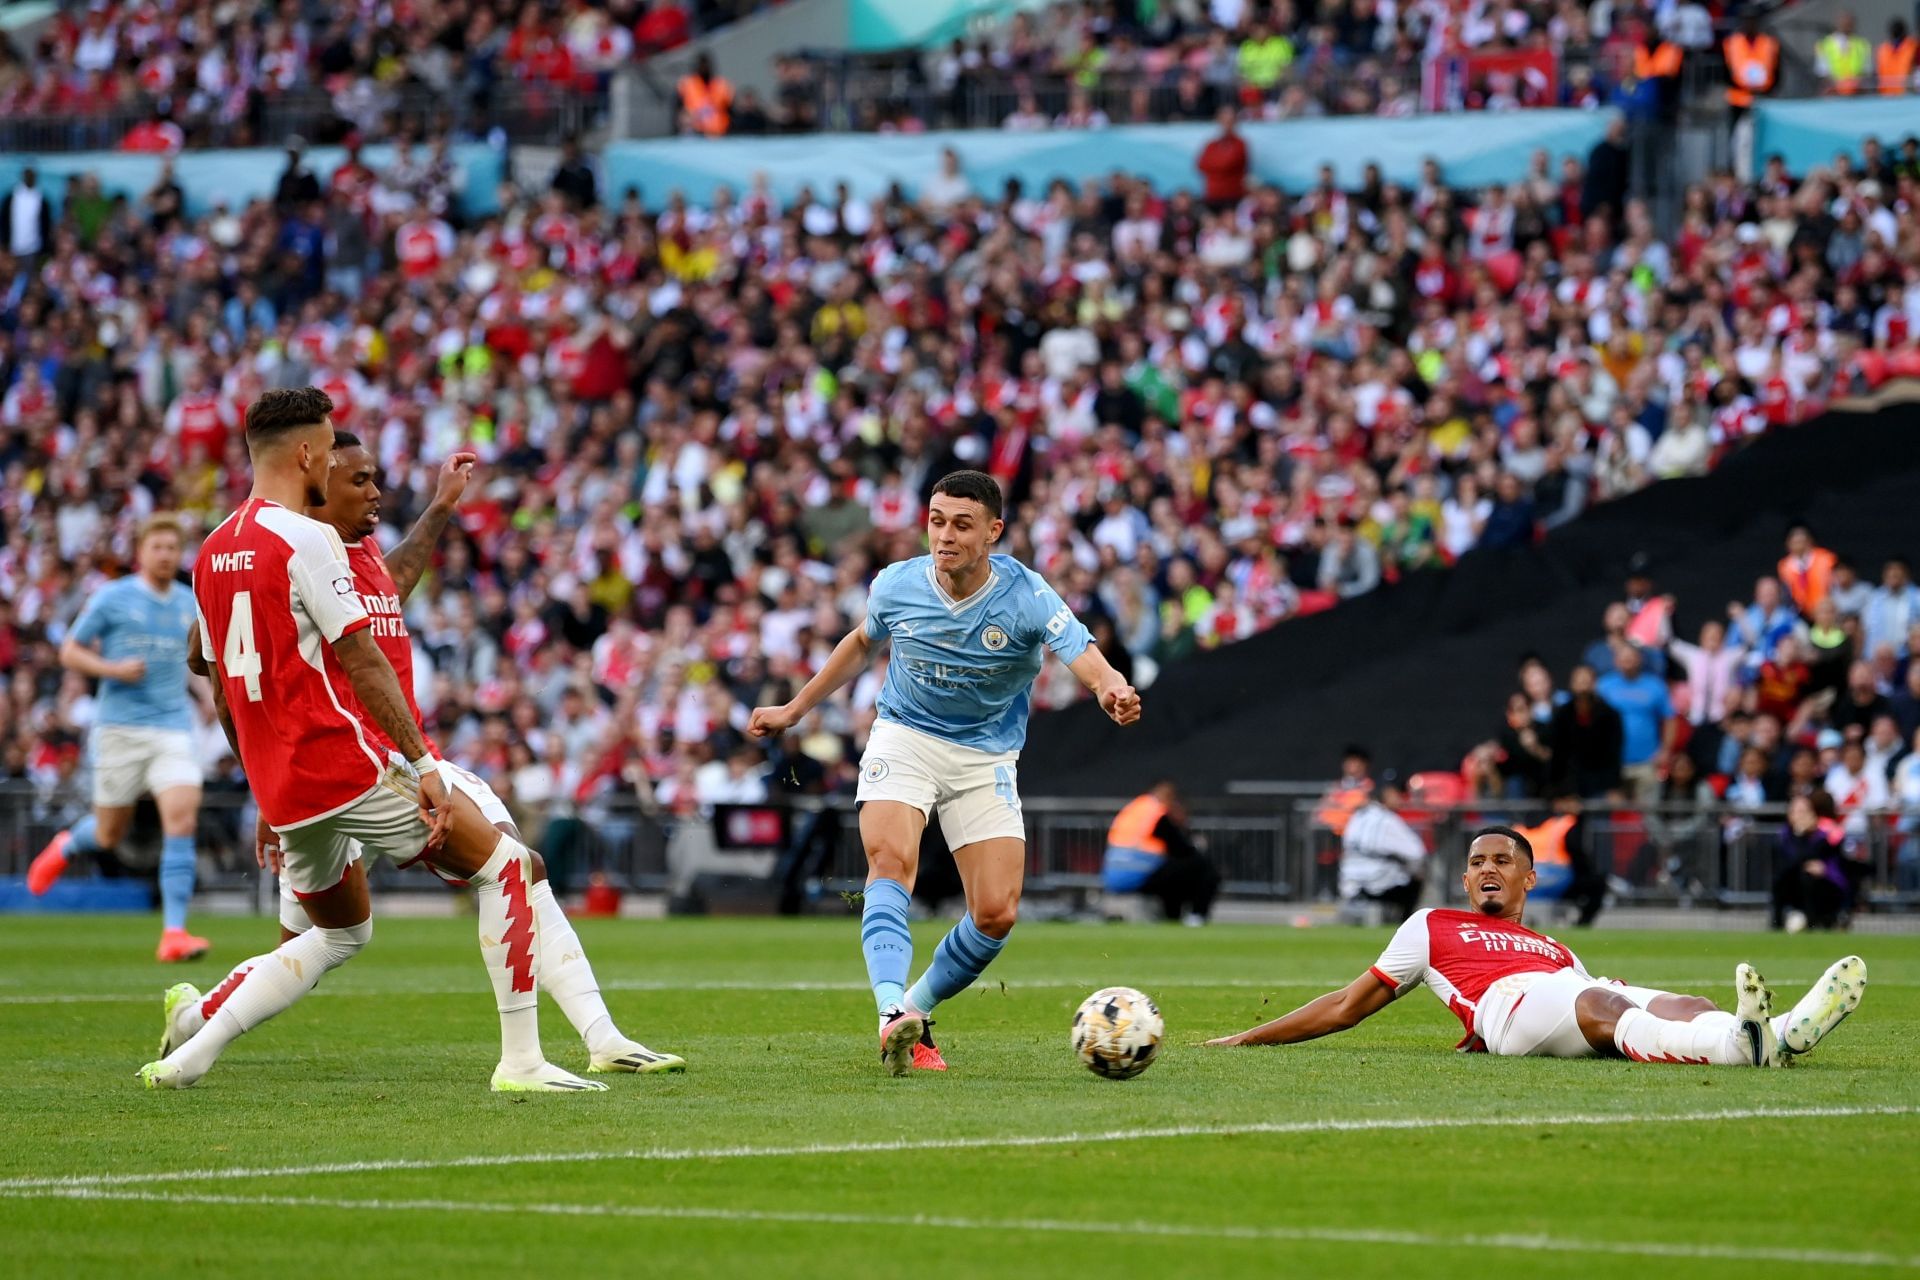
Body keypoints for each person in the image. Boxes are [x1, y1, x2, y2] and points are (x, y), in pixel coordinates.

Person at [174, 431, 684, 1076]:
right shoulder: (297, 556)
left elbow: (397, 578)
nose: (375, 491)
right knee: (332, 935)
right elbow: (209, 647)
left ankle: (601, 1036)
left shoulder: (357, 561)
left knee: (515, 871)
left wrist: (441, 507)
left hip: (372, 768)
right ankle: (196, 1028)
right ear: (316, 483)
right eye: (357, 480)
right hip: (361, 767)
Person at [747, 469, 1141, 1075]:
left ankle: (914, 1009)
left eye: (962, 524)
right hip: (904, 736)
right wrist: (794, 709)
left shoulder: (1028, 595)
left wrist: (1111, 689)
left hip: (986, 756)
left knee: (996, 912)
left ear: (993, 532)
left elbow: (1084, 655)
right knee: (890, 861)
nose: (945, 535)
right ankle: (887, 1012)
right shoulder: (896, 585)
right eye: (936, 521)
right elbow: (861, 641)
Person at [1206, 825, 1866, 1068]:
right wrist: (1247, 1039)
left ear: (1529, 876)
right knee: (1603, 1004)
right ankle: (1735, 1048)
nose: (1488, 868)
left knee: (1686, 999)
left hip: (1565, 990)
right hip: (1510, 1007)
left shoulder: (1552, 944)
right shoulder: (1432, 924)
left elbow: (1585, 996)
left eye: (1502, 860)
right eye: (1477, 861)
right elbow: (1348, 1004)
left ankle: (1776, 1032)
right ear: (1464, 878)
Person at [27, 515, 209, 962]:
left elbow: (193, 662)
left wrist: (205, 695)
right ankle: (67, 844)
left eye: (172, 548)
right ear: (141, 552)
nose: (166, 555)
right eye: (158, 547)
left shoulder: (189, 603)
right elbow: (70, 650)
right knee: (110, 833)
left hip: (171, 727)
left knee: (182, 819)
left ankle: (174, 933)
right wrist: (112, 669)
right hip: (119, 728)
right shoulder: (113, 597)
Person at [1101, 781, 1220, 925]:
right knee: (1204, 867)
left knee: (1175, 872)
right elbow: (1181, 848)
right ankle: (1196, 916)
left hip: (1113, 876)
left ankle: (1173, 915)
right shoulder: (1157, 814)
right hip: (1140, 874)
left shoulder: (1135, 808)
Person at [1336, 775, 1427, 924]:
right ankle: (1403, 924)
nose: (1401, 799)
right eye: (1398, 794)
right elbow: (1417, 852)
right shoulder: (1387, 819)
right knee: (1416, 877)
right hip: (1376, 883)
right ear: (1388, 793)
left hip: (1349, 884)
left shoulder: (1357, 816)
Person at [1772, 791, 1869, 931]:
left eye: (1804, 811)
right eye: (1796, 811)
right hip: (1795, 884)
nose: (1800, 816)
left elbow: (1830, 858)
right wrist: (1799, 834)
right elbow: (1792, 861)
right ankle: (1777, 924)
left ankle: (1816, 921)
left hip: (1827, 884)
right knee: (1781, 880)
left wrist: (1824, 869)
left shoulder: (1825, 835)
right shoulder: (1784, 836)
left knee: (1809, 877)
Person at [1597, 642, 1678, 800]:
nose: (1627, 661)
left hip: (1647, 762)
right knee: (1613, 816)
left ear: (1639, 659)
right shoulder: (1603, 686)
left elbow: (1670, 719)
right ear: (1616, 660)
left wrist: (1666, 750)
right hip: (1613, 762)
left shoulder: (1655, 686)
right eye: (1623, 657)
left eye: (1631, 657)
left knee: (1647, 814)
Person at [1548, 664, 1624, 798]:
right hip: (1571, 785)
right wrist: (1561, 790)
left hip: (1601, 784)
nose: (1583, 687)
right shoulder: (1562, 715)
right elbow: (1558, 755)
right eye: (1579, 682)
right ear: (1571, 684)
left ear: (1594, 684)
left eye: (1586, 682)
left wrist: (1613, 786)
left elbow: (1614, 753)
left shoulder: (1609, 715)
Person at [1196, 106, 1249, 213]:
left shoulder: (1240, 144)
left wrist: (1214, 166)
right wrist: (1220, 164)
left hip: (1232, 196)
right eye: (1223, 121)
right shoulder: (1212, 145)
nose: (1226, 125)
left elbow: (1229, 164)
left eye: (1229, 121)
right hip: (1212, 196)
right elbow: (1201, 165)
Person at [1777, 522, 1837, 614]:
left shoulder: (1827, 559)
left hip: (1826, 609)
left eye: (1802, 541)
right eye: (1795, 542)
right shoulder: (1784, 566)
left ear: (1810, 541)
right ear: (1788, 544)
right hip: (1799, 613)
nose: (1800, 546)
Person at [1816, 12, 1872, 95]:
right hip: (1834, 93)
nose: (1847, 25)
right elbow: (1822, 72)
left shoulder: (1862, 44)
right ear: (1838, 23)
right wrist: (1839, 85)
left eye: (1849, 23)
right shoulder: (1826, 44)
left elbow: (1867, 70)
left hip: (1856, 93)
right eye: (1844, 22)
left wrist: (1854, 84)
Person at [677, 54, 734, 137]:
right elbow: (679, 109)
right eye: (701, 65)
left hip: (719, 132)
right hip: (694, 133)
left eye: (706, 65)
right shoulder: (687, 84)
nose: (704, 68)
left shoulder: (722, 84)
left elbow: (730, 110)